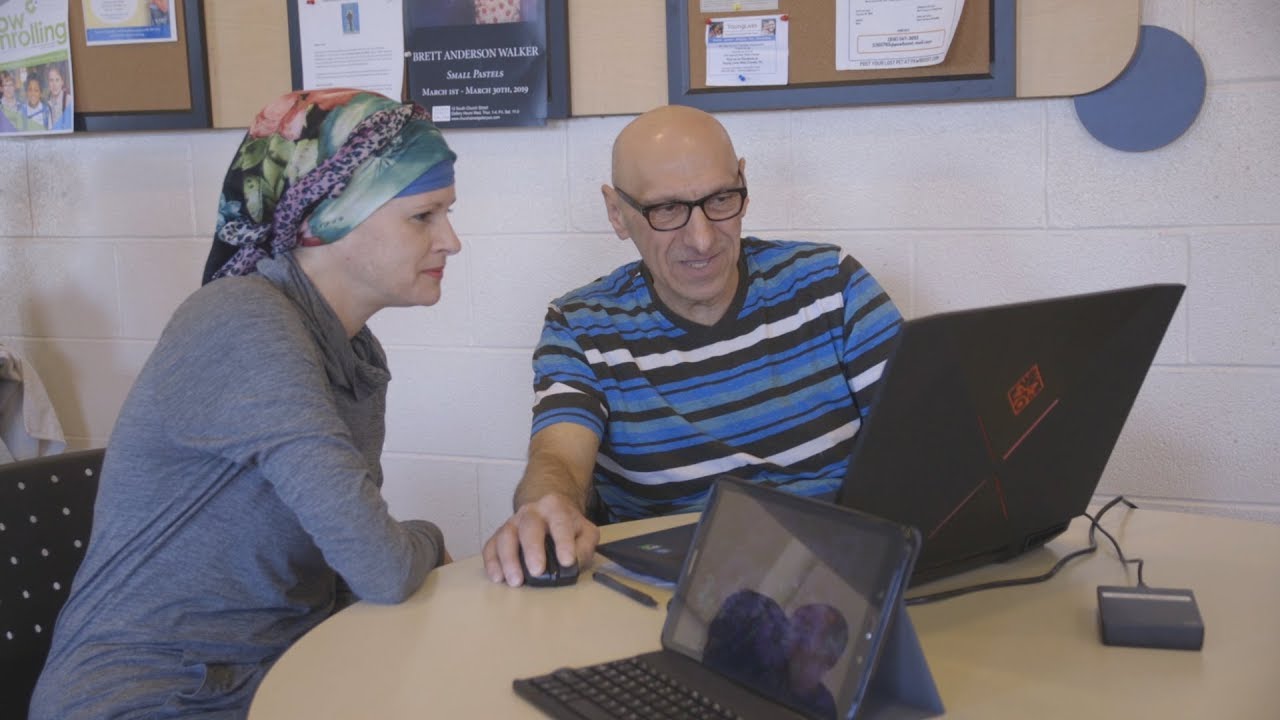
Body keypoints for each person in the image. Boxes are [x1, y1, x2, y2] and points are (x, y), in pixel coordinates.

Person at [30, 88, 460, 719]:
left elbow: (346, 570)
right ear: (329, 217)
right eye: (423, 216)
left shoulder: (353, 352)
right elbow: (380, 565)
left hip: (268, 678)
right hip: (147, 697)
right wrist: (430, 536)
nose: (452, 240)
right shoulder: (243, 322)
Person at [482, 105, 902, 586]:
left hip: (847, 575)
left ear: (743, 182)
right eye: (667, 210)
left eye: (721, 199)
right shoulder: (581, 326)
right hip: (678, 592)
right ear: (617, 213)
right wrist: (546, 505)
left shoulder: (831, 284)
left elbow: (922, 438)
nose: (702, 240)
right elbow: (557, 458)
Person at [782, 604, 849, 719]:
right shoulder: (763, 670)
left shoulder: (823, 711)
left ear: (830, 658)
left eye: (806, 629)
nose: (789, 634)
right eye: (792, 623)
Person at [45, 64, 73, 131]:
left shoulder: (69, 100)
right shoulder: (46, 103)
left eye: (57, 80)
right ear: (48, 82)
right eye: (51, 80)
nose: (54, 84)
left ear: (62, 82)